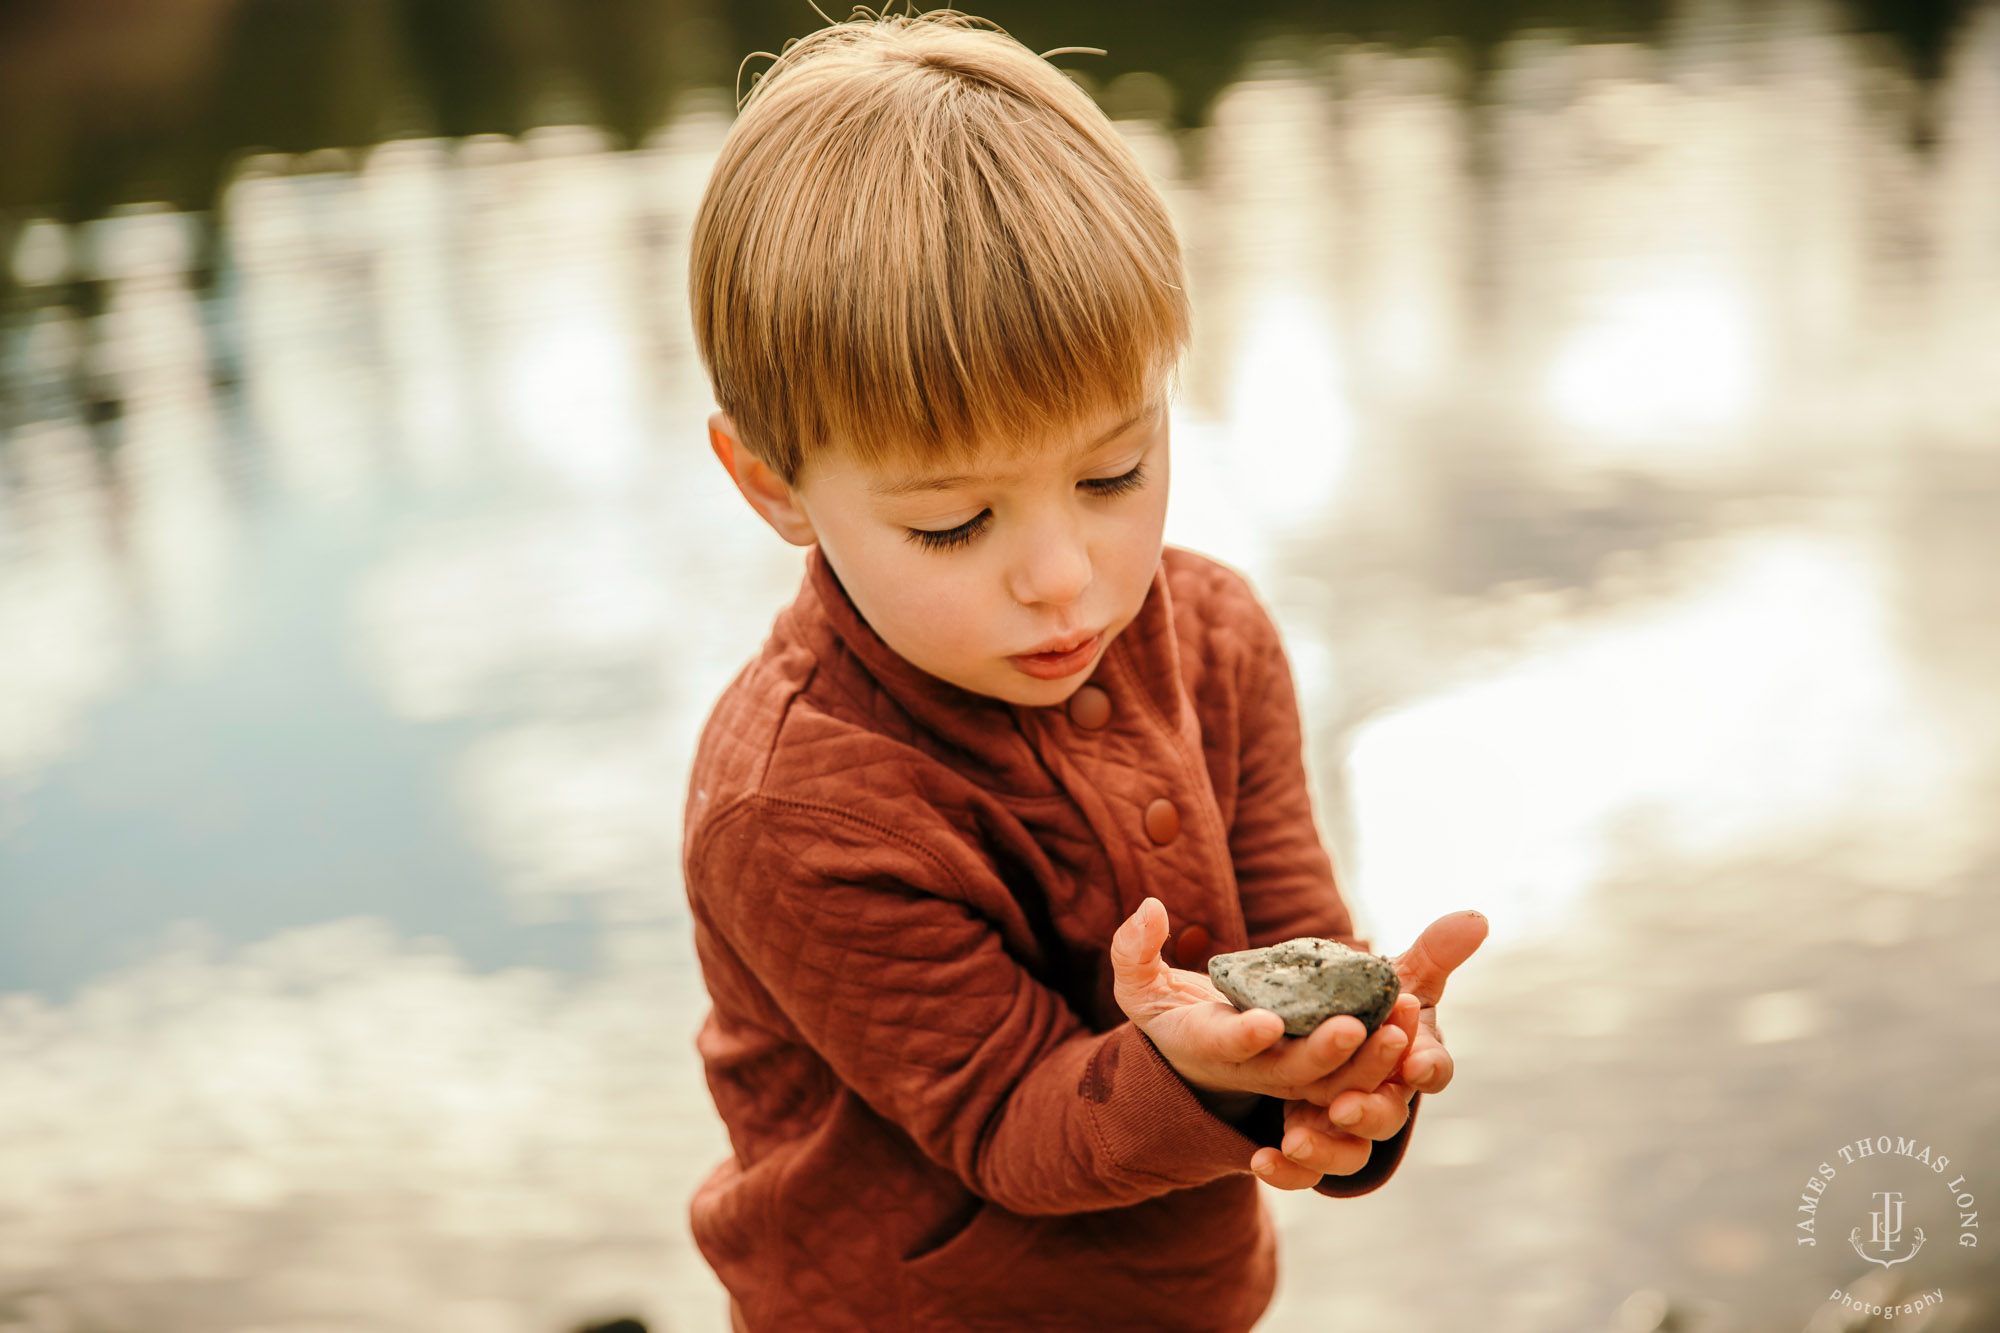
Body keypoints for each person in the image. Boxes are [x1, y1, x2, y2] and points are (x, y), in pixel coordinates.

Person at [679, 9, 1488, 1330]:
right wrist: (1207, 1081)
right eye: (953, 519)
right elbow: (1009, 1121)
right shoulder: (796, 811)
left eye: (1113, 471)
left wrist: (1356, 1069)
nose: (1064, 574)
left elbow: (1292, 945)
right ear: (773, 483)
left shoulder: (1214, 640)